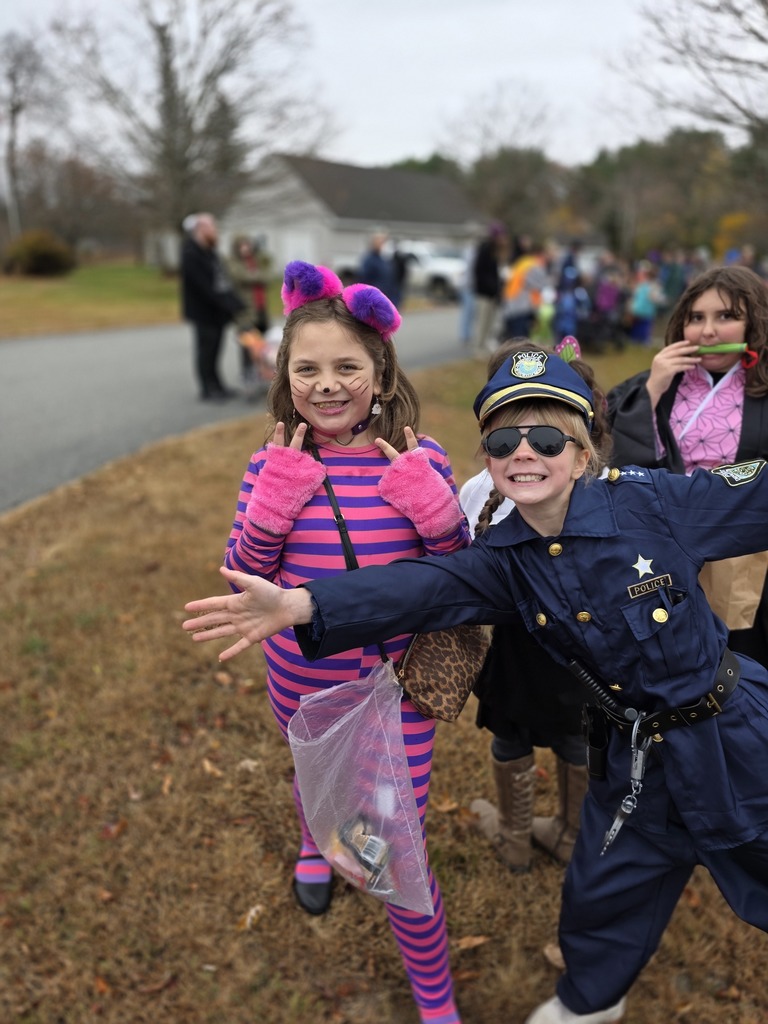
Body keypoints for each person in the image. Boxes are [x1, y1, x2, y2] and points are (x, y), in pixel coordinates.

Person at [183, 347, 768, 1024]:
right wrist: (297, 605)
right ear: (488, 460)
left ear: (581, 454)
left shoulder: (657, 503)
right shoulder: (503, 557)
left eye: (547, 437)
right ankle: (587, 1007)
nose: (526, 452)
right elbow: (418, 587)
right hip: (635, 765)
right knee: (600, 898)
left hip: (735, 742)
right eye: (503, 440)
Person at [210, 260, 471, 1023]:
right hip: (301, 678)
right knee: (313, 775)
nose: (327, 384)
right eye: (308, 368)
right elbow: (244, 578)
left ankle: (435, 1000)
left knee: (394, 841)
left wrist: (434, 509)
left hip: (399, 688)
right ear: (284, 376)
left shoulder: (421, 459)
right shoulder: (272, 463)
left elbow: (459, 579)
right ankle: (310, 844)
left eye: (347, 366)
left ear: (381, 372)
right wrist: (275, 503)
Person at [462, 340, 606, 872]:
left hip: (522, 652)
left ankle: (521, 838)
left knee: (513, 734)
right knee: (572, 735)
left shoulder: (484, 487)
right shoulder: (584, 486)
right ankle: (555, 836)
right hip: (571, 654)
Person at [608, 264, 768, 669]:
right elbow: (621, 461)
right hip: (664, 540)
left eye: (727, 317)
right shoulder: (660, 382)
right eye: (697, 318)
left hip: (745, 548)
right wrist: (651, 388)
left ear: (755, 324)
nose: (707, 331)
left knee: (741, 663)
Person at [180, 213, 246, 401]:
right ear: (200, 229)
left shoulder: (210, 252)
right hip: (204, 313)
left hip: (217, 312)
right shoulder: (191, 253)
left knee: (216, 349)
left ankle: (217, 385)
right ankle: (207, 389)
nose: (215, 230)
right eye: (211, 227)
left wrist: (236, 302)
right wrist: (228, 304)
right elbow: (206, 287)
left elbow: (222, 282)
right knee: (206, 351)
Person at [226, 235, 272, 394]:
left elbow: (267, 276)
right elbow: (241, 276)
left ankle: (260, 374)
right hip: (244, 311)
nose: (246, 248)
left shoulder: (256, 260)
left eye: (248, 244)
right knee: (247, 345)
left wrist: (257, 275)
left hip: (260, 310)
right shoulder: (233, 262)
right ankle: (247, 377)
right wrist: (257, 275)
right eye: (242, 245)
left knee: (261, 346)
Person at [471, 222, 506, 355]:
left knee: (489, 322)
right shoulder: (485, 250)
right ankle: (478, 347)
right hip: (484, 293)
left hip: (492, 294)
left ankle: (484, 344)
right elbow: (480, 272)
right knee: (482, 321)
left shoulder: (495, 251)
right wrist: (491, 286)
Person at [358, 230, 397, 301]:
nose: (383, 243)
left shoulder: (386, 260)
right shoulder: (369, 260)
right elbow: (364, 280)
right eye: (380, 241)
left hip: (387, 298)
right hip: (374, 299)